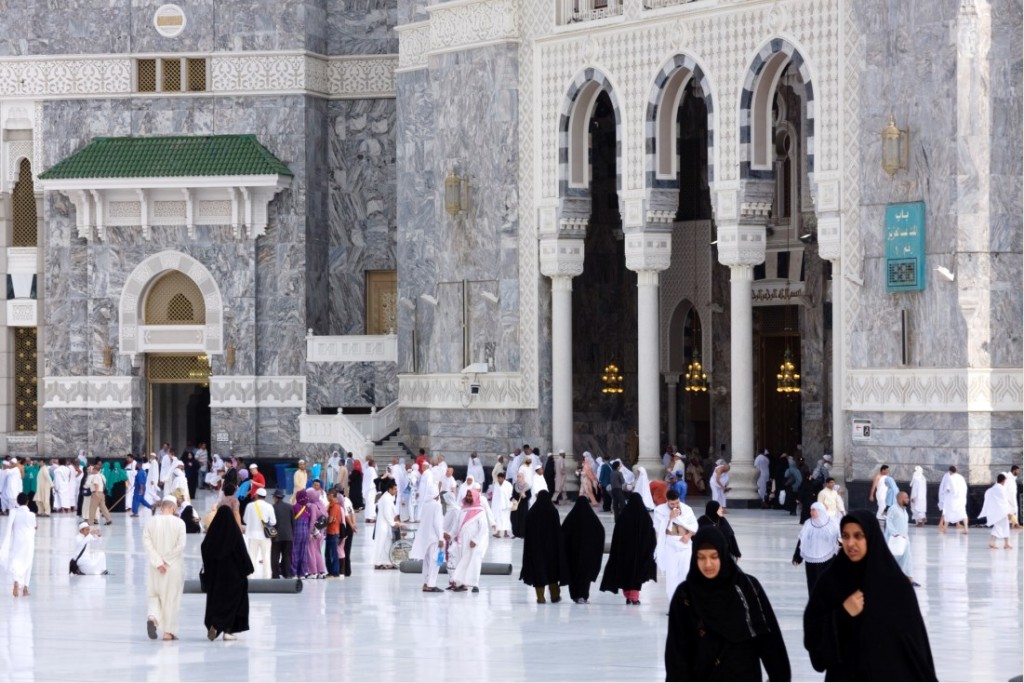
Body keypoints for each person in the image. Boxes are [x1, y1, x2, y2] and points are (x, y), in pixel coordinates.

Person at [805, 510, 938, 681]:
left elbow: (916, 648)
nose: (850, 543)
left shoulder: (896, 587)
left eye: (858, 536)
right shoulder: (831, 582)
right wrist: (842, 615)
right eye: (845, 536)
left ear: (871, 537)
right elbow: (814, 635)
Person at [665, 526, 791, 682]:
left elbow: (769, 640)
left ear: (723, 555)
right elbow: (676, 652)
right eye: (701, 557)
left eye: (714, 556)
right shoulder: (685, 596)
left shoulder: (747, 587)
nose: (708, 564)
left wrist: (780, 677)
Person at [202, 506, 254, 641]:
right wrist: (247, 569)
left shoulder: (212, 536)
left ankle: (215, 623)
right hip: (234, 576)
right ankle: (227, 630)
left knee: (217, 601)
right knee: (234, 602)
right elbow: (242, 553)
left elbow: (205, 549)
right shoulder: (234, 534)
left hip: (216, 577)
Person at [600, 492, 657, 605]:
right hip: (640, 554)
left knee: (626, 575)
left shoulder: (623, 517)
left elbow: (616, 537)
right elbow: (651, 537)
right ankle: (634, 598)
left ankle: (628, 596)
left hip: (625, 554)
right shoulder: (645, 518)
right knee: (637, 575)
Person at [142, 497, 186, 641]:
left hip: (155, 568)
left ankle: (153, 618)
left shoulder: (151, 522)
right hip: (172, 568)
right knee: (171, 599)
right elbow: (180, 545)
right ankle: (168, 632)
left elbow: (146, 542)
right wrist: (166, 561)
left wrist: (158, 561)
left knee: (154, 595)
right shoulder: (180, 523)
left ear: (162, 508)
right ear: (173, 508)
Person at [520, 490, 568, 603]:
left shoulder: (532, 513)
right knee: (552, 572)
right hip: (551, 550)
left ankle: (540, 597)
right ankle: (555, 596)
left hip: (536, 549)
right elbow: (557, 531)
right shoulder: (552, 511)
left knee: (539, 573)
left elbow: (527, 532)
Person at [654, 489, 698, 601]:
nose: (675, 505)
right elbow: (659, 529)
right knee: (672, 575)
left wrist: (688, 535)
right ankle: (673, 603)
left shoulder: (687, 509)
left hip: (685, 544)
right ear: (667, 501)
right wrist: (670, 518)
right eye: (672, 503)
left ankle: (686, 602)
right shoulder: (660, 511)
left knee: (686, 572)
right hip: (670, 544)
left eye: (677, 502)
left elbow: (694, 525)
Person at [561, 495, 605, 604]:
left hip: (573, 555)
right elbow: (601, 532)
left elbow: (562, 534)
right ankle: (583, 596)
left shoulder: (571, 518)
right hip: (587, 556)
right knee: (585, 576)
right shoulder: (593, 520)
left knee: (574, 575)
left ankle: (575, 595)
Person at [792, 502, 840, 595]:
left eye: (814, 510)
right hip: (811, 559)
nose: (811, 512)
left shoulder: (831, 523)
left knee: (826, 583)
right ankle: (813, 604)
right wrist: (797, 557)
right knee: (812, 583)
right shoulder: (808, 524)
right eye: (811, 510)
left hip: (828, 558)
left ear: (820, 511)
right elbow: (802, 540)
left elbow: (838, 539)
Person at [450, 489, 490, 593]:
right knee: (462, 561)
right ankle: (461, 584)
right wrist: (450, 535)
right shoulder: (462, 510)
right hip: (462, 542)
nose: (468, 497)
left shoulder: (480, 511)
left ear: (475, 497)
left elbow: (484, 528)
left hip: (474, 543)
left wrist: (475, 540)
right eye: (467, 495)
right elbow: (456, 525)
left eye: (470, 495)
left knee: (474, 562)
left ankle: (475, 584)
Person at [410, 485, 445, 592]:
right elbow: (437, 523)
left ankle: (425, 583)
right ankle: (431, 584)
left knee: (426, 562)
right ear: (437, 495)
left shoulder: (425, 505)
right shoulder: (437, 506)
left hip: (425, 538)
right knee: (434, 562)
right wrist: (441, 538)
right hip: (434, 538)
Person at [0, 493, 36, 597]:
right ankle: (25, 588)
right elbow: (34, 527)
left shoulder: (14, 513)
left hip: (17, 541)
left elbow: (10, 527)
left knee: (16, 562)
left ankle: (16, 581)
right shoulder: (31, 515)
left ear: (17, 501)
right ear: (27, 502)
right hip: (28, 542)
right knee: (28, 563)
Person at [241, 488, 276, 579]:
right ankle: (267, 576)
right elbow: (273, 522)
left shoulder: (250, 506)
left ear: (256, 495)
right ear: (265, 496)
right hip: (265, 536)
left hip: (252, 535)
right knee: (266, 556)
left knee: (252, 555)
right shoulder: (269, 506)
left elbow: (245, 520)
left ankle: (251, 575)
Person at [885, 490, 917, 585]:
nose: (908, 499)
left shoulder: (904, 510)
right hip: (894, 539)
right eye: (906, 497)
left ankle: (909, 579)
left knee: (907, 559)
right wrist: (895, 534)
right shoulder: (893, 509)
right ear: (900, 498)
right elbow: (889, 522)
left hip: (904, 539)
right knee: (893, 559)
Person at [372, 479, 400, 570]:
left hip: (385, 524)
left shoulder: (388, 497)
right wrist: (393, 523)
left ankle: (385, 562)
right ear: (390, 489)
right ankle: (378, 563)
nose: (396, 491)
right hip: (384, 525)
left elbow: (393, 511)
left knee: (386, 544)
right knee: (381, 543)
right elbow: (387, 513)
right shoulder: (386, 498)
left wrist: (396, 520)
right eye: (395, 489)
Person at [980, 474, 1013, 550]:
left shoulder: (994, 488)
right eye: (1005, 480)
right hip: (1002, 512)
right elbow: (1004, 502)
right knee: (1000, 527)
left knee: (1002, 526)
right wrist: (1009, 512)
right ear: (1003, 480)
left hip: (996, 511)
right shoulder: (1001, 489)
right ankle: (994, 542)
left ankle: (1005, 543)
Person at [269, 489, 294, 579]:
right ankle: (287, 574)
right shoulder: (289, 507)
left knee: (275, 556)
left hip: (276, 536)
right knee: (287, 556)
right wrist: (291, 534)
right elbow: (292, 522)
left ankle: (275, 575)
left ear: (275, 497)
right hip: (288, 536)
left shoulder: (272, 507)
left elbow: (270, 523)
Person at [938, 465, 968, 534]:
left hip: (953, 500)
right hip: (961, 499)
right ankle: (966, 528)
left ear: (950, 471)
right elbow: (965, 488)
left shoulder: (951, 478)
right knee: (963, 513)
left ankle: (945, 528)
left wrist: (946, 493)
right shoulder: (961, 477)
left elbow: (953, 490)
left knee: (948, 513)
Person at [291, 489, 313, 578]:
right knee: (303, 553)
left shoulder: (294, 507)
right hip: (306, 533)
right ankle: (302, 573)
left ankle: (294, 572)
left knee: (294, 552)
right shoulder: (307, 508)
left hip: (297, 532)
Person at [490, 472, 513, 538]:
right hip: (498, 505)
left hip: (506, 505)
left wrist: (510, 503)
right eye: (498, 478)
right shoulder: (496, 485)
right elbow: (494, 496)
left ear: (503, 478)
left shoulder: (508, 485)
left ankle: (506, 533)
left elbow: (510, 494)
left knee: (506, 519)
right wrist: (493, 505)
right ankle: (498, 532)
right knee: (498, 519)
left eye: (500, 478)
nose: (499, 480)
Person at [510, 471, 531, 538]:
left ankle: (522, 534)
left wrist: (524, 496)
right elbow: (512, 495)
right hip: (515, 505)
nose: (518, 478)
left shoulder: (527, 486)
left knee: (523, 519)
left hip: (523, 506)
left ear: (523, 477)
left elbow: (529, 496)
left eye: (520, 477)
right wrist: (512, 499)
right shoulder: (515, 485)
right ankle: (515, 533)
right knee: (514, 519)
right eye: (518, 476)